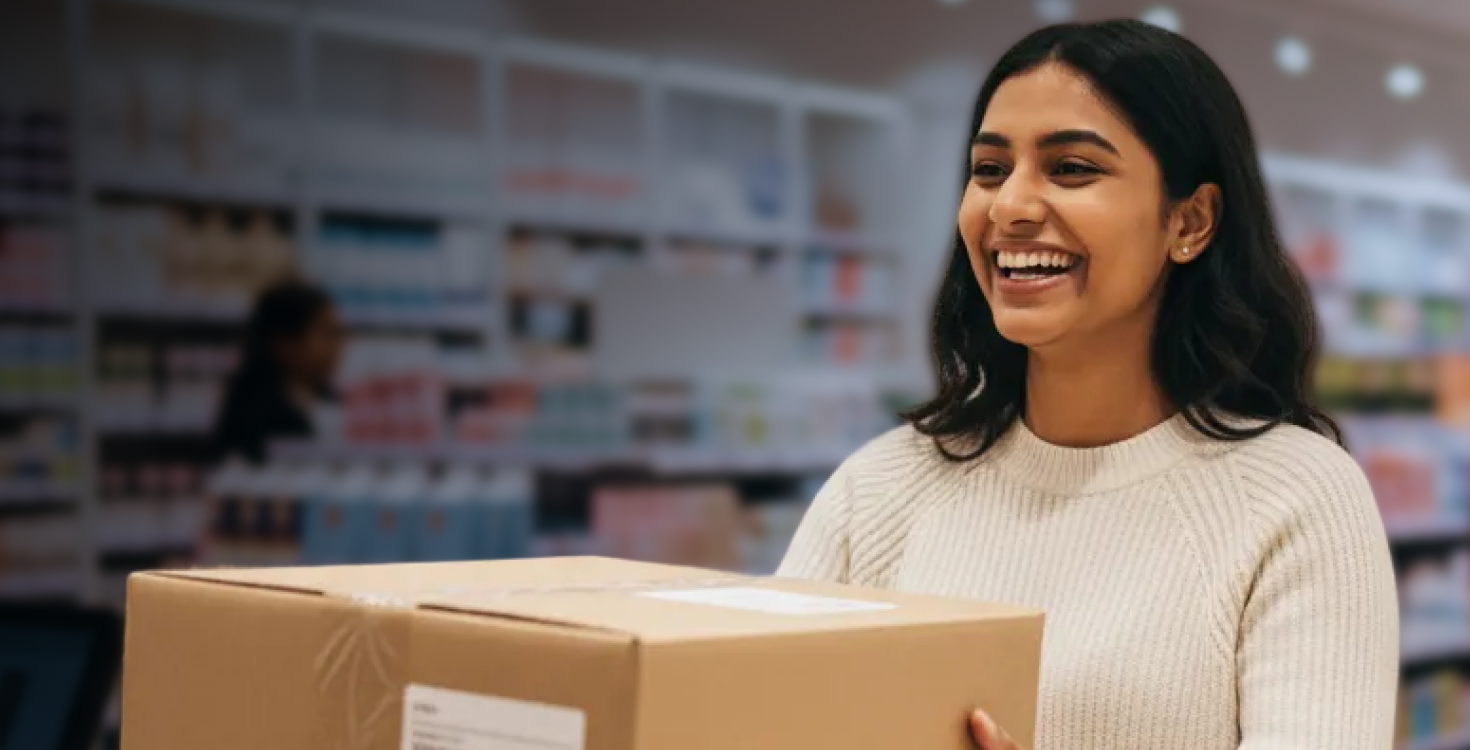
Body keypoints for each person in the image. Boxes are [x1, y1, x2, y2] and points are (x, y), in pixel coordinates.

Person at [778, 19, 1397, 750]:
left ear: (1190, 221)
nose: (1010, 206)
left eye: (1070, 168)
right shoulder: (879, 490)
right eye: (988, 169)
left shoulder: (1295, 499)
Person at [212, 279, 345, 464]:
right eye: (327, 334)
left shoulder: (330, 398)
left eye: (339, 333)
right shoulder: (259, 417)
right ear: (284, 344)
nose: (339, 345)